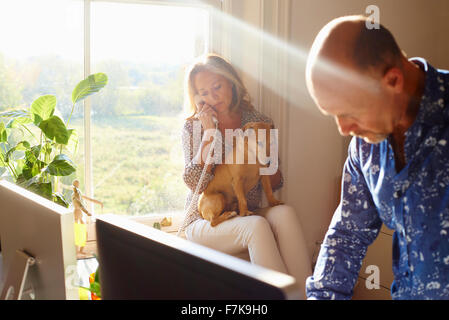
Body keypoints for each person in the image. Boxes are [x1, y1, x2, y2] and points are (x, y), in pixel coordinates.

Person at [305, 15, 449, 299]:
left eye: (349, 112)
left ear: (393, 80)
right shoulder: (364, 145)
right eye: (333, 114)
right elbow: (348, 234)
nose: (344, 129)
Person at [178, 53, 311, 297]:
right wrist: (209, 135)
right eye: (204, 92)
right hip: (205, 219)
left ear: (232, 83)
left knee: (285, 212)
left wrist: (262, 157)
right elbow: (193, 184)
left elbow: (277, 181)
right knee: (256, 225)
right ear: (197, 97)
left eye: (217, 86)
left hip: (244, 210)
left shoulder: (259, 121)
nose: (213, 96)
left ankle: (307, 295)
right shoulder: (194, 126)